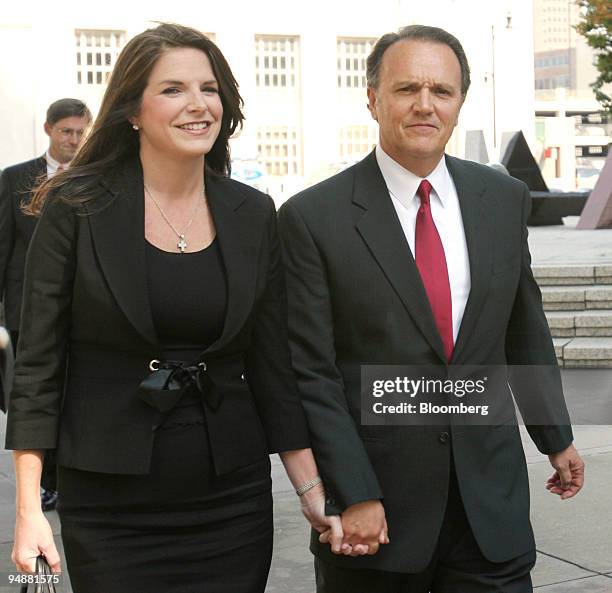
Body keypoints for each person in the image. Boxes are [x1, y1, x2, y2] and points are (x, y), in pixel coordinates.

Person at [6, 23, 342, 593]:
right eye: (173, 89)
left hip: (229, 499)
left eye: (209, 89)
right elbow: (39, 363)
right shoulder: (77, 205)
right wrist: (28, 508)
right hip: (111, 503)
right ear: (132, 109)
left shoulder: (253, 212)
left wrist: (311, 489)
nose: (197, 105)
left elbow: (271, 365)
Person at [278, 25, 585, 593]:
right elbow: (312, 373)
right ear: (372, 98)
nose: (425, 104)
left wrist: (555, 435)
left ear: (460, 101)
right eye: (406, 89)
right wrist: (355, 490)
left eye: (442, 91)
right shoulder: (311, 218)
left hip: (490, 506)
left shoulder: (502, 198)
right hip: (378, 518)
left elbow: (523, 328)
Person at [0, 98, 92, 511]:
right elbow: (3, 247)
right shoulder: (15, 179)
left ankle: (63, 476)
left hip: (80, 309)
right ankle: (43, 480)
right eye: (66, 132)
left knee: (74, 391)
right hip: (25, 307)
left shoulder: (94, 178)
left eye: (80, 132)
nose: (73, 140)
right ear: (48, 130)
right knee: (36, 392)